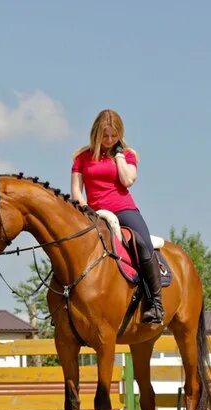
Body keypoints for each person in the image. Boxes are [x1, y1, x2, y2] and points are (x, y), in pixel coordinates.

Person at [70, 109, 164, 324]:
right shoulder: (81, 157)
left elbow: (127, 181)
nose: (110, 140)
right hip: (94, 212)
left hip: (124, 209)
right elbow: (76, 190)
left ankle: (155, 303)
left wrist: (119, 155)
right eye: (105, 136)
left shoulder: (128, 154)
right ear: (96, 134)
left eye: (114, 135)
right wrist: (84, 207)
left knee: (143, 244)